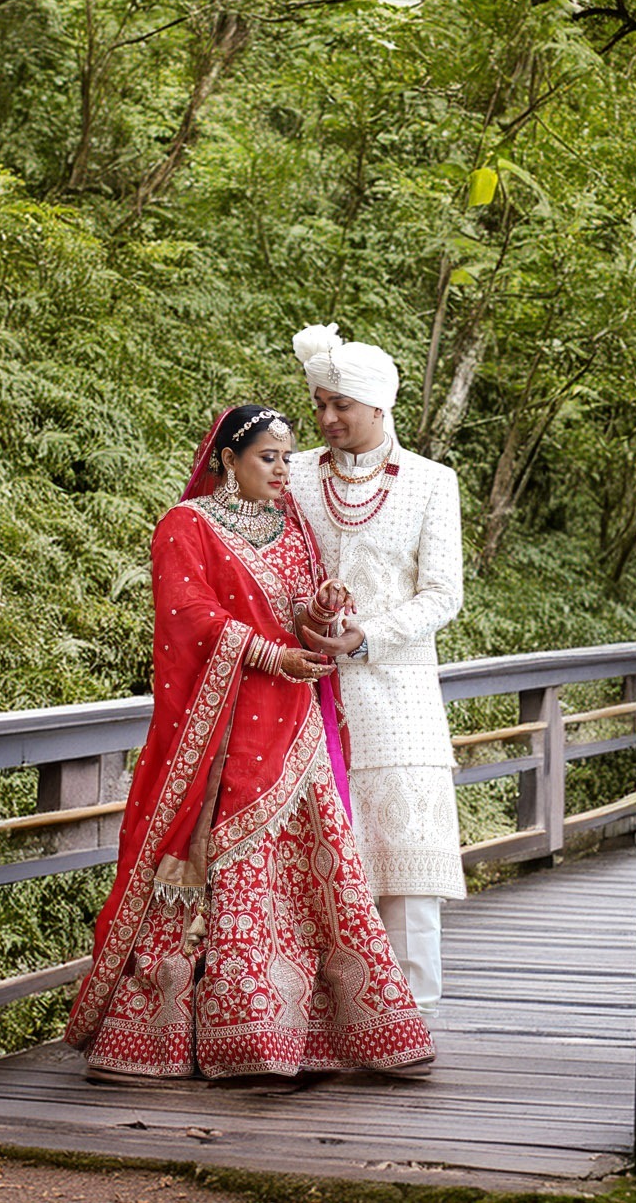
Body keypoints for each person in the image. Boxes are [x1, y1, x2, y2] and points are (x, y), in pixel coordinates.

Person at [65, 404, 434, 1081]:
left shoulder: (292, 525)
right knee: (228, 865)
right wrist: (270, 655)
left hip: (296, 721)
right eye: (268, 457)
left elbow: (298, 610)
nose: (282, 470)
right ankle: (225, 1034)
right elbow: (192, 619)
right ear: (227, 459)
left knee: (314, 874)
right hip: (227, 727)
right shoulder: (188, 526)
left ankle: (313, 1032)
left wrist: (322, 607)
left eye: (287, 458)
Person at [287, 325, 466, 1016]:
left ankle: (415, 1012)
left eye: (342, 406)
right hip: (305, 683)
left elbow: (443, 593)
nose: (329, 419)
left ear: (379, 406)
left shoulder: (430, 482)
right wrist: (308, 618)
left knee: (406, 854)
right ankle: (330, 1013)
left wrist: (368, 638)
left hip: (400, 690)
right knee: (322, 849)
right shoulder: (295, 473)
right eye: (320, 405)